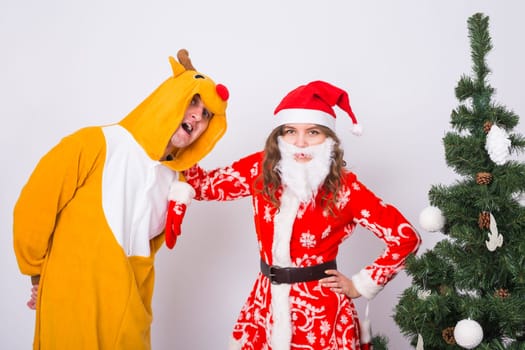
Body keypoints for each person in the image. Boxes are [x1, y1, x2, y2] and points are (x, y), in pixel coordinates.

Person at [175, 80, 421, 349]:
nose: (301, 142)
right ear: (279, 135)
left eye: (313, 132)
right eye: (291, 131)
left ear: (328, 137)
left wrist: (360, 285)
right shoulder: (261, 169)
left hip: (321, 317)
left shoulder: (346, 188)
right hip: (264, 308)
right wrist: (186, 135)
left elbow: (406, 239)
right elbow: (202, 187)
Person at [13, 49, 229, 350]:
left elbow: (148, 245)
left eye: (207, 114)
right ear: (169, 97)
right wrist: (36, 274)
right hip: (73, 305)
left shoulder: (176, 182)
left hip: (129, 316)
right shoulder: (96, 143)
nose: (198, 115)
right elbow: (35, 206)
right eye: (193, 101)